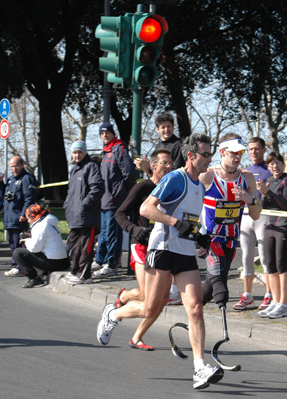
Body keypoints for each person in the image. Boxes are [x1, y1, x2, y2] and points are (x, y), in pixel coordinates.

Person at [95, 133, 224, 390]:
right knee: (150, 309)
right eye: (206, 154)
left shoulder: (200, 185)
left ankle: (199, 367)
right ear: (191, 156)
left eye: (211, 154)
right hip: (162, 248)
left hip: (184, 252)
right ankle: (114, 313)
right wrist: (177, 223)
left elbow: (189, 218)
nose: (210, 158)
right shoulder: (175, 178)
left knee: (195, 308)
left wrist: (199, 236)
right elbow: (146, 209)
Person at [113, 149, 172, 350]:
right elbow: (119, 214)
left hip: (164, 246)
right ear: (153, 167)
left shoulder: (173, 188)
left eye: (170, 163)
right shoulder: (143, 187)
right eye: (164, 163)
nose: (169, 166)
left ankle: (137, 336)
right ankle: (123, 299)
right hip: (141, 244)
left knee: (163, 298)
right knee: (147, 297)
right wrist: (135, 229)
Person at [199, 134, 262, 311]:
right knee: (220, 283)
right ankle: (223, 321)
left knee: (211, 286)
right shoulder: (207, 176)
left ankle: (194, 310)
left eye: (240, 152)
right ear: (222, 152)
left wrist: (250, 199)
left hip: (231, 241)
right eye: (233, 152)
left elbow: (256, 214)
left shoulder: (247, 178)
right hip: (211, 240)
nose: (237, 157)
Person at [134, 111, 185, 305]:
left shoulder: (178, 145)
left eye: (169, 126)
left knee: (174, 241)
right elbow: (157, 178)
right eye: (162, 126)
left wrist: (149, 169)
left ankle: (174, 290)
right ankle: (167, 288)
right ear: (157, 129)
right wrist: (147, 169)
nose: (166, 129)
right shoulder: (158, 147)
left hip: (175, 196)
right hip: (160, 198)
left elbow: (173, 174)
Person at [234, 137, 273, 311]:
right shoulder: (244, 172)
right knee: (246, 256)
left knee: (264, 257)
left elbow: (277, 196)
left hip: (263, 217)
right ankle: (248, 295)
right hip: (246, 217)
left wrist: (266, 193)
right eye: (250, 149)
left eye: (257, 149)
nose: (253, 152)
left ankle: (269, 294)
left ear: (264, 150)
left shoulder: (270, 170)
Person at [92, 122, 136, 276]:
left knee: (112, 233)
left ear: (112, 133)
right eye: (102, 133)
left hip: (114, 200)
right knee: (104, 232)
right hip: (104, 200)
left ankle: (111, 264)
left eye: (107, 132)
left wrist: (121, 192)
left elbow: (129, 173)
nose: (104, 135)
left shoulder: (119, 148)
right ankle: (100, 260)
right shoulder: (106, 151)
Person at [256, 152, 287, 318]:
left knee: (281, 264)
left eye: (278, 163)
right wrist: (264, 194)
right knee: (269, 265)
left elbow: (286, 204)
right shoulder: (269, 181)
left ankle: (284, 304)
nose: (275, 166)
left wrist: (268, 193)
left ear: (283, 164)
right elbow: (264, 206)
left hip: (284, 225)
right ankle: (276, 301)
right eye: (271, 164)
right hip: (270, 225)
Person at [63, 140, 103, 285]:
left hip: (87, 217)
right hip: (74, 216)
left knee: (85, 247)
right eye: (74, 152)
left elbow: (97, 188)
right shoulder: (74, 169)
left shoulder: (91, 167)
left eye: (80, 152)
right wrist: (67, 205)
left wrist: (85, 205)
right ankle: (75, 271)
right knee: (74, 246)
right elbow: (70, 192)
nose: (77, 155)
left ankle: (84, 275)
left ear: (85, 152)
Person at [0, 156, 38, 277]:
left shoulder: (27, 179)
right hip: (10, 217)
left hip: (19, 217)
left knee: (19, 243)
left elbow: (29, 198)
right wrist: (0, 182)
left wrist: (24, 213)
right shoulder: (10, 180)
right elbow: (3, 195)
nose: (14, 169)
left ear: (22, 164)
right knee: (12, 243)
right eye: (12, 167)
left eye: (16, 166)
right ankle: (15, 265)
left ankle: (20, 267)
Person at [13, 204, 69, 288]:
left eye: (28, 218)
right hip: (64, 261)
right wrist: (32, 238)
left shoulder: (40, 226)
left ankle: (34, 278)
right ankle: (43, 273)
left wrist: (27, 241)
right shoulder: (50, 223)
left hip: (54, 263)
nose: (28, 221)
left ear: (33, 217)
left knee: (18, 252)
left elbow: (34, 248)